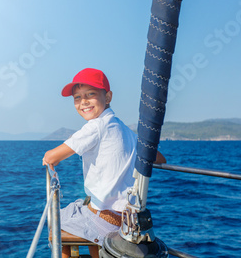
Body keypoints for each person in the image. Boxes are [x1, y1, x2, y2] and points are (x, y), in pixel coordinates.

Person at [42, 68, 166, 258]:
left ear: (107, 97)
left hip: (104, 218)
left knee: (57, 221)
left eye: (90, 94)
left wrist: (48, 159)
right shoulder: (123, 129)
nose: (83, 101)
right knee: (78, 209)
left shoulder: (96, 126)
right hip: (125, 220)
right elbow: (159, 158)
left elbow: (52, 157)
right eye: (77, 97)